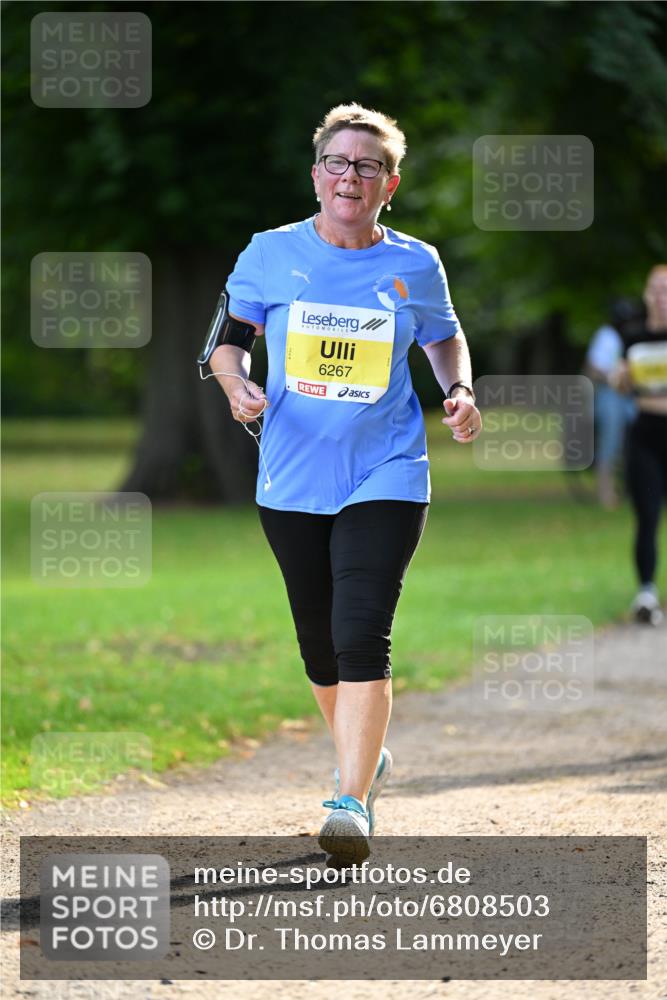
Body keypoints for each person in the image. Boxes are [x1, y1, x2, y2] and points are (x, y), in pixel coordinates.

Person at [206, 103, 481, 862]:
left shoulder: (414, 263)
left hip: (387, 467)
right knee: (319, 644)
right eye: (336, 163)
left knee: (362, 631)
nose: (348, 177)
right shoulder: (268, 252)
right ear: (316, 175)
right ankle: (365, 757)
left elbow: (443, 337)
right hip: (291, 473)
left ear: (389, 184)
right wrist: (236, 388)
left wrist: (456, 390)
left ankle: (349, 800)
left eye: (366, 166)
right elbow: (227, 345)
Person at [609, 265, 667, 625]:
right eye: (656, 291)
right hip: (646, 436)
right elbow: (622, 384)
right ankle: (646, 592)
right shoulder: (633, 338)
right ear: (647, 295)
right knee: (647, 516)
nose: (662, 298)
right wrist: (620, 378)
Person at [584, 300, 639, 508]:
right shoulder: (606, 336)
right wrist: (613, 378)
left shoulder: (633, 335)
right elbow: (593, 368)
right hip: (610, 394)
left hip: (631, 395)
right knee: (610, 442)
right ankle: (606, 493)